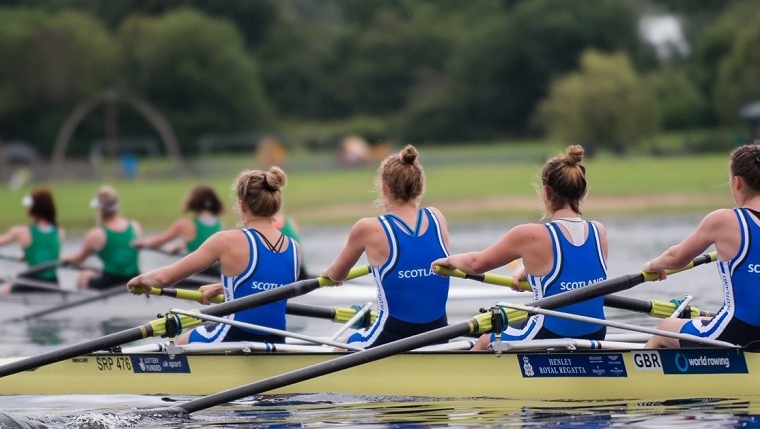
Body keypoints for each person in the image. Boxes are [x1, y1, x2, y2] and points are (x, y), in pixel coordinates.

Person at [431, 144, 607, 350]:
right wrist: (533, 272)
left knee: (484, 340)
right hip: (597, 332)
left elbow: (476, 264)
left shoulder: (530, 235)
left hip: (550, 333)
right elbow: (576, 271)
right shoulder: (599, 231)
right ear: (582, 192)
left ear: (547, 193)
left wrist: (450, 260)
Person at [642, 140, 760, 349]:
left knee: (664, 328)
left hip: (738, 333)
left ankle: (637, 375)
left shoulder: (723, 220)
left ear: (737, 183)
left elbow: (676, 258)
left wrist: (653, 265)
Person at [127, 167, 301, 345]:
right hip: (277, 340)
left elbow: (165, 278)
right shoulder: (295, 248)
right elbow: (271, 285)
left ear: (241, 204)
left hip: (234, 335)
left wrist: (140, 280)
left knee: (180, 342)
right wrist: (223, 287)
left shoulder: (226, 240)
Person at [321, 144, 451, 347]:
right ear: (419, 186)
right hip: (440, 332)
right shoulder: (437, 217)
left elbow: (337, 274)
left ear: (384, 188)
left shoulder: (367, 228)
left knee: (339, 346)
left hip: (391, 336)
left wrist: (329, 274)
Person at [0, 187, 63, 293]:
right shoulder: (60, 232)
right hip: (53, 284)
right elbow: (47, 255)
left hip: (32, 283)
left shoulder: (22, 231)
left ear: (33, 209)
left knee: (4, 290)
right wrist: (27, 256)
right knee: (13, 282)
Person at [65, 185, 142, 290]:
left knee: (84, 275)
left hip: (110, 282)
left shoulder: (96, 234)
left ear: (100, 208)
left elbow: (79, 259)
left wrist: (62, 258)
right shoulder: (134, 227)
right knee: (94, 272)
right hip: (134, 279)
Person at [134, 184, 224, 254]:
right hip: (215, 273)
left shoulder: (185, 224)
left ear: (193, 201)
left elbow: (158, 241)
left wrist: (142, 242)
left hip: (197, 273)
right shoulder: (220, 224)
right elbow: (205, 245)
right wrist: (182, 247)